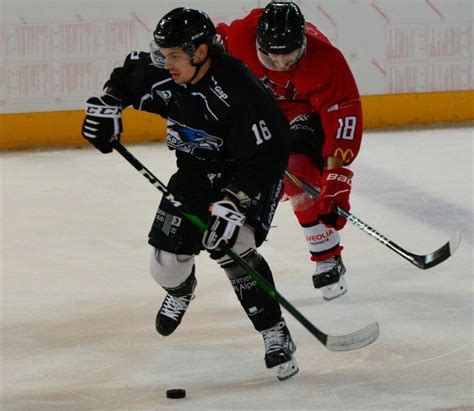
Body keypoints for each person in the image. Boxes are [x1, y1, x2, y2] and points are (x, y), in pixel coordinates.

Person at [81, 7, 299, 381]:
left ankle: (274, 332)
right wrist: (109, 105)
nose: (166, 63)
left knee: (234, 246)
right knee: (166, 266)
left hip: (246, 174)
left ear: (200, 52)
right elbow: (127, 76)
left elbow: (272, 154)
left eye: (175, 56)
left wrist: (234, 200)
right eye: (163, 53)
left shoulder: (236, 88)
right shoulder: (166, 69)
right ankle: (182, 289)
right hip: (195, 171)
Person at [217, 2, 363, 301]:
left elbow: (343, 120)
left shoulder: (327, 60)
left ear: (303, 43)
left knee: (297, 172)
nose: (283, 64)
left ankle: (326, 253)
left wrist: (337, 177)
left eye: (291, 56)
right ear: (259, 44)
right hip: (257, 115)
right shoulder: (238, 38)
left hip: (303, 114)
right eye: (273, 57)